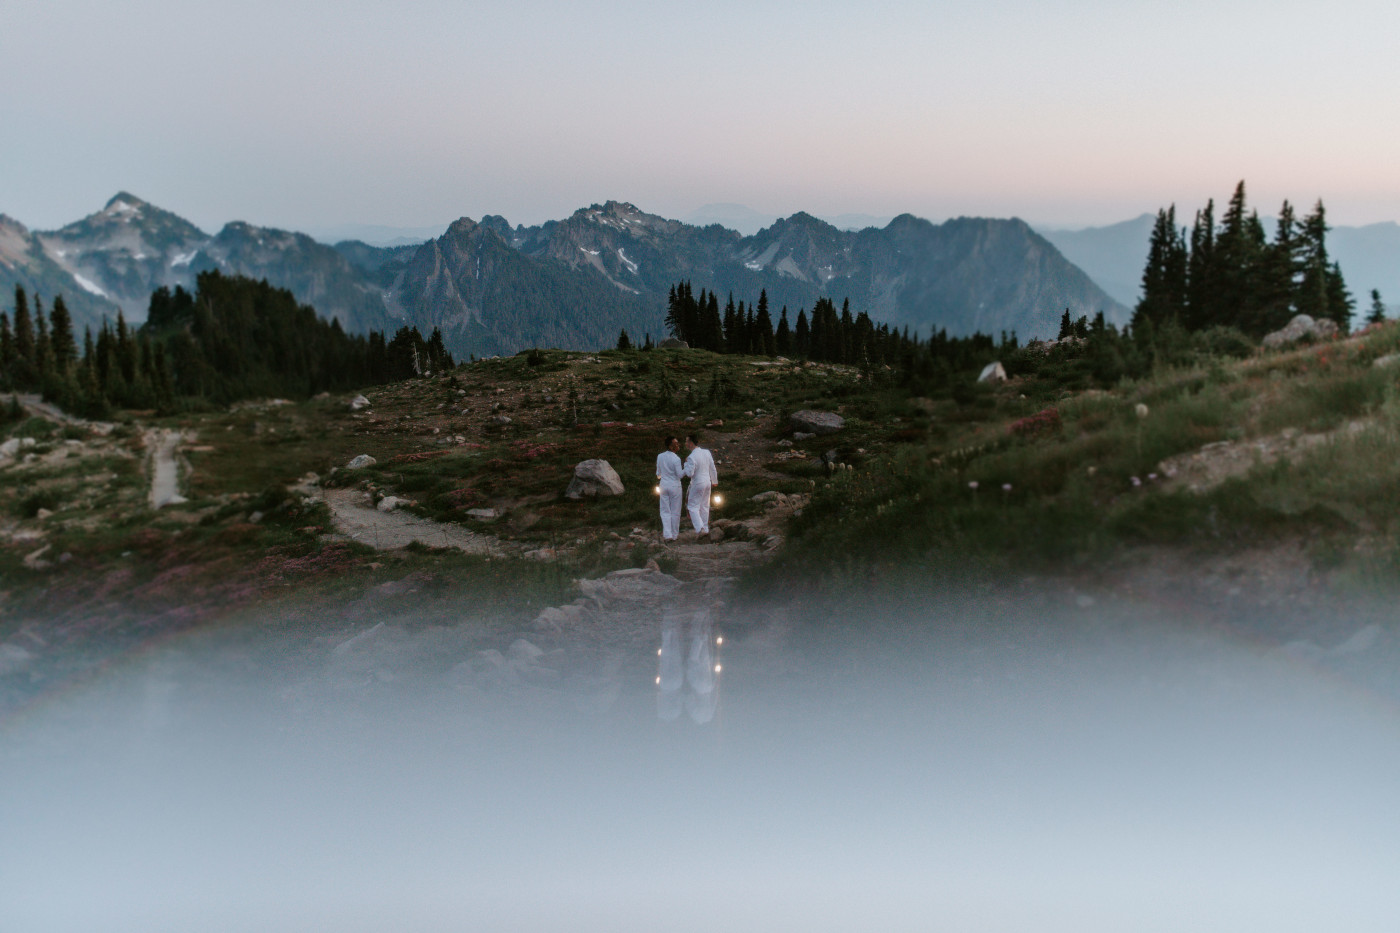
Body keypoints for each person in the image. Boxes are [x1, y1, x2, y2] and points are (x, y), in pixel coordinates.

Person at [682, 433, 718, 537]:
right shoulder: (706, 452)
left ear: (690, 443)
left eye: (686, 441)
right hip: (707, 482)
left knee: (692, 506)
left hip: (697, 483)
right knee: (704, 506)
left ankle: (700, 529)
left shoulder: (691, 457)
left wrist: (685, 464)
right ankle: (705, 529)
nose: (685, 443)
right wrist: (714, 481)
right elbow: (712, 467)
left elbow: (689, 473)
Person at [655, 435, 684, 542]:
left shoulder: (660, 456)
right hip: (675, 486)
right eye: (676, 443)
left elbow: (658, 474)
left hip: (663, 485)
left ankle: (667, 535)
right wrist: (686, 468)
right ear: (671, 446)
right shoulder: (676, 459)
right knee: (675, 511)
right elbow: (680, 475)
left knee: (664, 510)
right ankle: (674, 534)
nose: (678, 445)